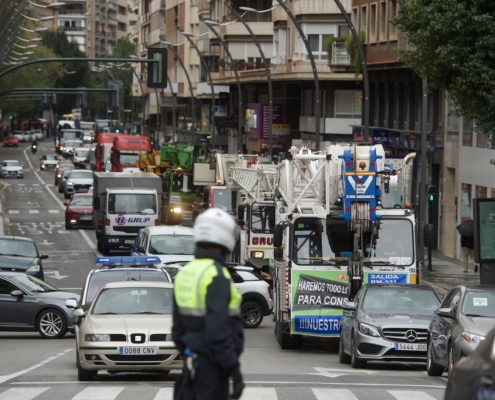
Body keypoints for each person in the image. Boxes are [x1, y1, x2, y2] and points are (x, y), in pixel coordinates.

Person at [172, 208, 245, 400]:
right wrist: (233, 368)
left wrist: (191, 353)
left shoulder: (184, 273)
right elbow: (217, 330)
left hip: (191, 364)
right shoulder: (217, 276)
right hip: (212, 367)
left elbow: (177, 330)